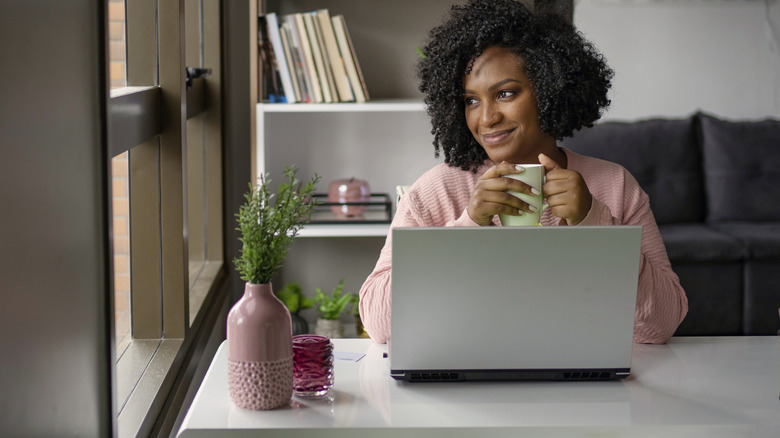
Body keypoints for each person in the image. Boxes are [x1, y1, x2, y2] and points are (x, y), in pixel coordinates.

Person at [358, 0, 688, 344]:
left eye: (505, 93)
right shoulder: (436, 190)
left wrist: (593, 221)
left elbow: (662, 325)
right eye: (471, 100)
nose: (486, 119)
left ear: (550, 90)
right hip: (466, 379)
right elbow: (380, 324)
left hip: (576, 377)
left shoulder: (614, 186)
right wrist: (469, 226)